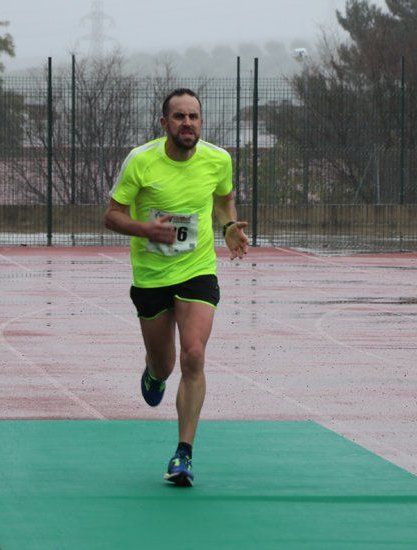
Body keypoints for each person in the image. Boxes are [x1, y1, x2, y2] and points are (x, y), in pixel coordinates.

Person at [103, 88, 249, 486]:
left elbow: (223, 200)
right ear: (164, 123)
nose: (188, 123)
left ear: (201, 122)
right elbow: (112, 215)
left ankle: (183, 454)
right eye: (180, 117)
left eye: (194, 117)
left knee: (195, 355)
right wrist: (144, 228)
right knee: (165, 364)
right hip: (151, 276)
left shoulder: (218, 160)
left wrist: (229, 226)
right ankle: (153, 373)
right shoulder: (141, 161)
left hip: (197, 269)